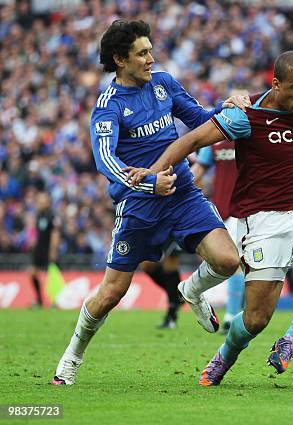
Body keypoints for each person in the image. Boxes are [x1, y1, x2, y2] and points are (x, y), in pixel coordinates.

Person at [126, 51, 293, 386]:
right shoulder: (245, 116)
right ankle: (225, 356)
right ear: (276, 84)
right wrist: (153, 173)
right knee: (256, 319)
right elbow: (191, 140)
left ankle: (291, 340)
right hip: (262, 222)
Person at [52, 20, 250, 385]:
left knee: (226, 260)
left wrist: (229, 107)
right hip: (139, 207)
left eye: (150, 50)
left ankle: (190, 289)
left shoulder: (164, 84)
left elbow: (201, 120)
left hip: (183, 194)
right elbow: (105, 161)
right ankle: (72, 356)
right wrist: (148, 185)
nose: (151, 58)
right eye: (142, 53)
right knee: (111, 292)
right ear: (119, 59)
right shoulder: (108, 106)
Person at [191, 134, 245, 335]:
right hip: (221, 211)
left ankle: (232, 317)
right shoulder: (214, 141)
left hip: (245, 210)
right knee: (234, 263)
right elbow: (197, 171)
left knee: (238, 263)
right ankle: (236, 315)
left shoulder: (252, 135)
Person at [29, 192, 60, 307]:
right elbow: (35, 231)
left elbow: (55, 233)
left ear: (48, 203)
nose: (40, 203)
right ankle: (39, 300)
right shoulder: (38, 215)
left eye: (43, 201)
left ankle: (54, 302)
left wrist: (53, 249)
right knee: (32, 273)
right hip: (39, 248)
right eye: (39, 201)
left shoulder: (52, 215)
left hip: (48, 248)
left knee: (50, 276)